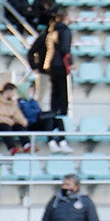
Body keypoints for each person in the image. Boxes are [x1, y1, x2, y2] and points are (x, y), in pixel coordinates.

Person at [30, 10, 72, 148]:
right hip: (55, 68)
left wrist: (37, 66)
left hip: (48, 68)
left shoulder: (48, 33)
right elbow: (65, 49)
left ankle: (53, 124)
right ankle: (58, 124)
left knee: (50, 97)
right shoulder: (63, 31)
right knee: (58, 96)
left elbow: (33, 51)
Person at [0, 82, 30, 154]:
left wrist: (22, 121)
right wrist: (6, 120)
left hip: (11, 123)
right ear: (8, 92)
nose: (14, 95)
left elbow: (17, 114)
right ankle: (12, 148)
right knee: (5, 127)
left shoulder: (13, 103)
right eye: (13, 92)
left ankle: (27, 145)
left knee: (19, 126)